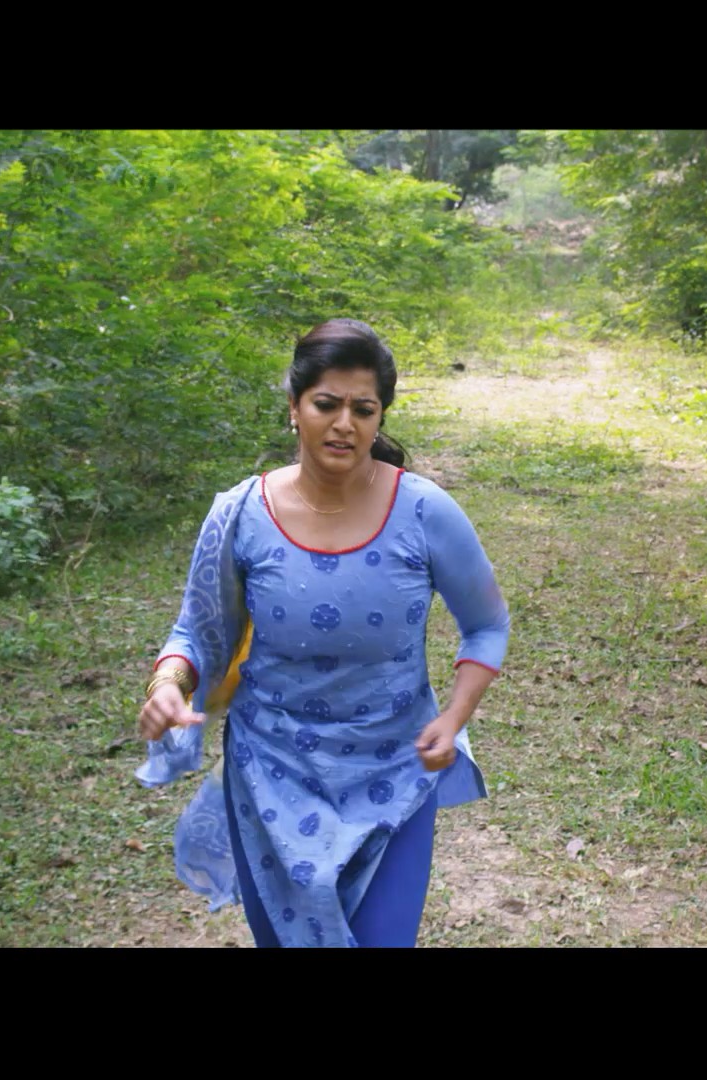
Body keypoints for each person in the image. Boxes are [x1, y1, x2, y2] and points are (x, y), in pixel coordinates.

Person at [134, 318, 510, 948]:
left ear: (380, 417)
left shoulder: (425, 512)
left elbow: (487, 626)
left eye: (364, 410)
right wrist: (169, 684)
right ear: (294, 406)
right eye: (326, 404)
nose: (344, 424)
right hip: (269, 777)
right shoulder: (241, 515)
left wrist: (454, 717)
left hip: (394, 769)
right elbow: (194, 633)